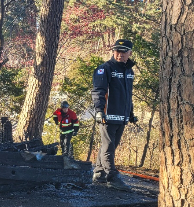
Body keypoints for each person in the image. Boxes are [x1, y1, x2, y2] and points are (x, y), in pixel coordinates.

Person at [91, 39, 138, 191]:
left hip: (122, 116)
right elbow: (98, 91)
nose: (119, 54)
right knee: (108, 146)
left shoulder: (129, 71)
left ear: (129, 53)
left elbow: (128, 95)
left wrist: (130, 113)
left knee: (110, 146)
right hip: (107, 115)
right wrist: (99, 111)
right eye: (117, 51)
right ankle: (112, 177)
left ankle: (99, 173)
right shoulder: (105, 69)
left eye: (123, 52)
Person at [53, 101, 80, 169]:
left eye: (66, 108)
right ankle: (63, 153)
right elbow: (54, 114)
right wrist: (55, 120)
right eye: (64, 108)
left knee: (66, 142)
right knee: (62, 143)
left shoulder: (72, 113)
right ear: (62, 108)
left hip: (69, 130)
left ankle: (66, 154)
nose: (65, 109)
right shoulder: (58, 111)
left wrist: (75, 131)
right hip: (62, 130)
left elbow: (76, 122)